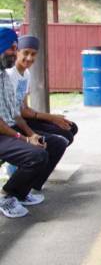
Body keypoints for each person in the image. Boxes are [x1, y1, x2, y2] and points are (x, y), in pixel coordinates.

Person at [0, 29, 68, 218]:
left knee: (54, 143)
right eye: (12, 48)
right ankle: (6, 195)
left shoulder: (3, 76)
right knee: (37, 154)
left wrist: (32, 135)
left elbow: (15, 113)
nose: (15, 53)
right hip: (2, 134)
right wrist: (23, 138)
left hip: (8, 130)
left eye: (16, 48)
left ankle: (22, 192)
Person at [7, 35, 78, 146]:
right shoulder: (10, 74)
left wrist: (52, 118)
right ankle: (31, 161)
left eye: (33, 54)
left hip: (24, 118)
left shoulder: (26, 74)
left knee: (71, 127)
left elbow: (24, 107)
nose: (29, 58)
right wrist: (51, 117)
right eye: (26, 53)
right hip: (13, 123)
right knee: (62, 139)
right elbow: (18, 112)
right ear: (17, 52)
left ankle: (34, 162)